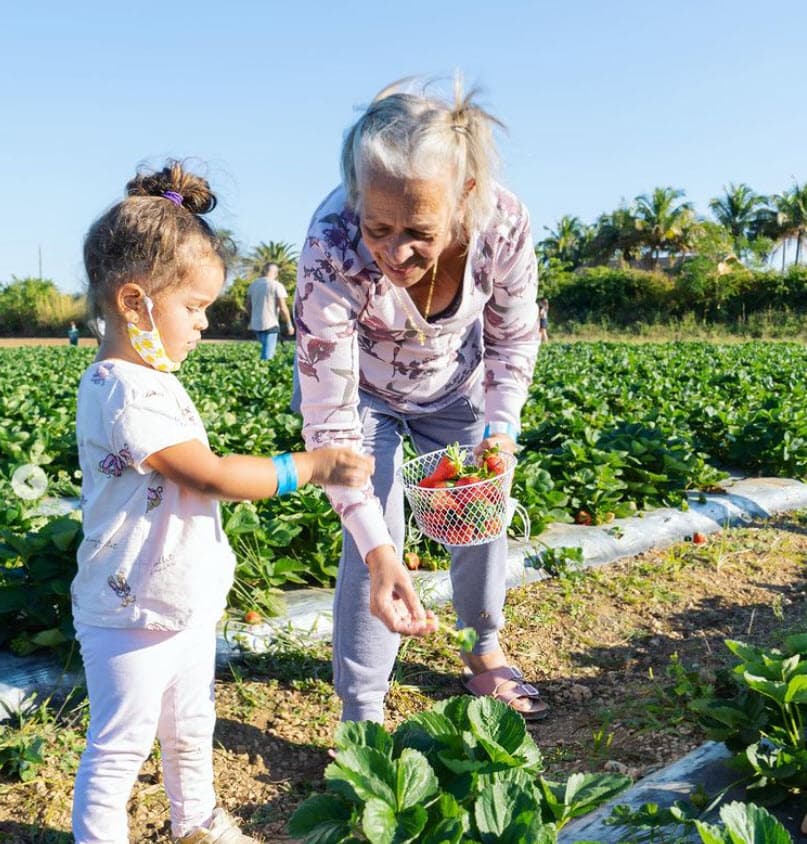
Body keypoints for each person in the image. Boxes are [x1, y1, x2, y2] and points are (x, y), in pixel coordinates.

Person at [72, 160, 373, 844]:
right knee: (119, 747)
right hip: (129, 609)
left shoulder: (151, 379)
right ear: (132, 303)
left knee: (191, 725)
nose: (205, 323)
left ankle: (198, 822)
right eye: (194, 306)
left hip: (177, 598)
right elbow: (204, 475)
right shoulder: (122, 387)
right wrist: (307, 466)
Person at [294, 78, 546, 724]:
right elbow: (329, 420)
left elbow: (513, 337)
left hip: (454, 387)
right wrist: (381, 550)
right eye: (378, 226)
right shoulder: (331, 246)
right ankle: (362, 707)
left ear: (464, 196)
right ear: (356, 197)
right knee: (371, 525)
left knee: (479, 504)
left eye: (418, 231)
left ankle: (483, 650)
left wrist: (500, 429)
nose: (395, 251)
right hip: (362, 400)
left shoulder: (503, 226)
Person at [246, 262, 294, 359]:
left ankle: (260, 369)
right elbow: (283, 307)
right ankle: (263, 372)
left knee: (265, 351)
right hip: (271, 325)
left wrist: (251, 320)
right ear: (276, 273)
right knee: (267, 356)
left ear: (264, 271)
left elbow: (248, 306)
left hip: (256, 325)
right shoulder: (277, 285)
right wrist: (289, 325)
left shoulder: (253, 285)